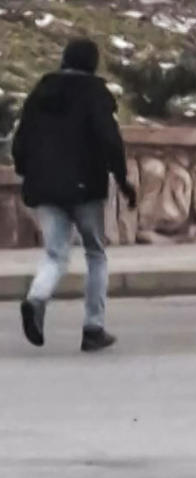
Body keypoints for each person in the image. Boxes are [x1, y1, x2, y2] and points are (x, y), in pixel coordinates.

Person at [12, 39, 136, 352]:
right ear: (92, 63)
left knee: (55, 253)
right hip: (85, 187)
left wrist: (27, 171)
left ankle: (37, 298)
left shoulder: (40, 92)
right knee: (95, 252)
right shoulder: (94, 93)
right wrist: (123, 181)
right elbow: (110, 140)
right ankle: (93, 327)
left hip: (45, 187)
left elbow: (21, 139)